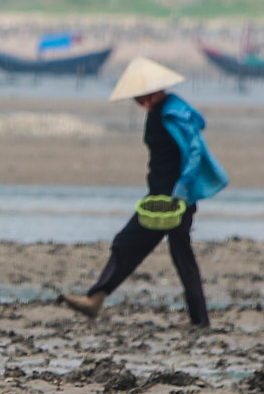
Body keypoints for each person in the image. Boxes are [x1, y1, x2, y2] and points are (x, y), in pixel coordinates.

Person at [58, 56, 228, 327]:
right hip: (158, 197)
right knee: (161, 252)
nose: (139, 103)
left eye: (141, 97)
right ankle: (198, 320)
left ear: (152, 92)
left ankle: (96, 299)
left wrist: (182, 191)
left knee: (134, 246)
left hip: (172, 201)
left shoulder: (172, 112)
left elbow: (194, 150)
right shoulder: (160, 110)